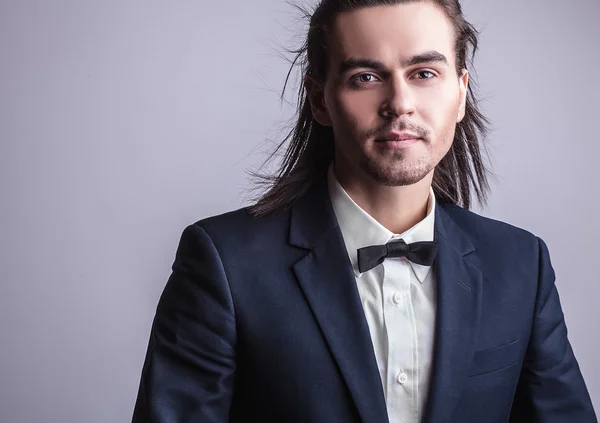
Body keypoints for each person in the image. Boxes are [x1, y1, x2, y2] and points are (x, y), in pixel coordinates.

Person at [132, 0, 597, 422]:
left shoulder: (521, 262)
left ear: (460, 92)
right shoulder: (224, 262)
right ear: (320, 100)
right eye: (366, 78)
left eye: (424, 73)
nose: (399, 104)